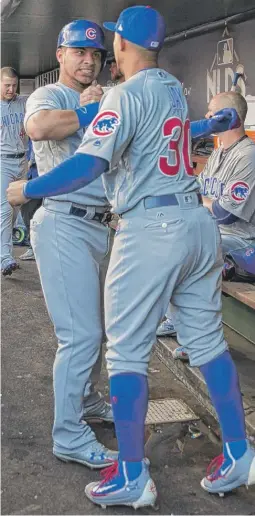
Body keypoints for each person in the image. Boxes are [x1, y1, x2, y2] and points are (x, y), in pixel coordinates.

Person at [7, 5, 255, 508]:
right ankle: (239, 452)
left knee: (122, 351)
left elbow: (85, 165)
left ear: (120, 46)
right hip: (196, 225)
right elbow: (172, 136)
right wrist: (215, 120)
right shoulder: (170, 89)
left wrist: (27, 188)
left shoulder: (123, 94)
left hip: (150, 228)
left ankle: (132, 475)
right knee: (206, 341)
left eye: (102, 48)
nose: (97, 58)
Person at [12, 20, 118, 469]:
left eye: (95, 55)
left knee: (93, 331)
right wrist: (90, 111)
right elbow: (39, 128)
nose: (88, 60)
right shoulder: (49, 95)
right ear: (60, 55)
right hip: (63, 223)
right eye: (79, 52)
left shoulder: (106, 91)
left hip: (99, 224)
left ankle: (87, 402)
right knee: (79, 336)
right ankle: (69, 434)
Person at [159, 91, 255, 353]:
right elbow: (195, 196)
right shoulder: (217, 152)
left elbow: (226, 213)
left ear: (229, 116)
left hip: (241, 242)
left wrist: (198, 200)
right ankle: (179, 322)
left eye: (212, 112)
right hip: (214, 230)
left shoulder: (248, 155)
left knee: (191, 251)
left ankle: (202, 338)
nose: (207, 117)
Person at [1, 67, 28, 276]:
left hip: (22, 161)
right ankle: (5, 259)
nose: (11, 89)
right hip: (3, 162)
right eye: (6, 85)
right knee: (6, 210)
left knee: (16, 209)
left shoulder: (23, 103)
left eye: (13, 85)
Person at [19, 139, 42, 260]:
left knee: (31, 211)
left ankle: (35, 247)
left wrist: (30, 161)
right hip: (30, 174)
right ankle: (33, 247)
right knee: (28, 213)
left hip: (38, 174)